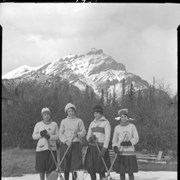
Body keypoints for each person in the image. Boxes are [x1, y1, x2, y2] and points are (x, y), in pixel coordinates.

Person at [59, 103, 86, 180]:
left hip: (76, 145)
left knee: (75, 166)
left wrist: (78, 134)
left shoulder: (79, 121)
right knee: (66, 165)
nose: (71, 112)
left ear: (75, 111)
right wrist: (65, 141)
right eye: (69, 111)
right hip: (66, 145)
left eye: (72, 111)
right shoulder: (63, 121)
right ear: (67, 112)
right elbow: (60, 133)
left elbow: (83, 132)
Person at [84, 105, 111, 180]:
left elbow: (107, 137)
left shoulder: (106, 122)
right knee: (91, 169)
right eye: (95, 113)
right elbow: (88, 135)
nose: (96, 115)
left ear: (101, 113)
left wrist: (104, 149)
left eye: (97, 113)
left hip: (101, 148)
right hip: (92, 148)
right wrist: (90, 138)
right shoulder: (92, 123)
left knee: (101, 169)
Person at [32, 107, 59, 180]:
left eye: (48, 114)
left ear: (50, 115)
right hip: (41, 149)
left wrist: (49, 136)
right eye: (45, 115)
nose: (46, 116)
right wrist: (41, 134)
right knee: (41, 168)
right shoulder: (38, 124)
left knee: (50, 168)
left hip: (51, 149)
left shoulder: (54, 124)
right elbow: (34, 136)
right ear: (42, 116)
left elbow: (57, 136)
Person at [112, 108, 139, 180]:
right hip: (121, 153)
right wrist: (115, 147)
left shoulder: (132, 126)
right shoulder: (117, 128)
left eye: (124, 116)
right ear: (120, 118)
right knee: (122, 172)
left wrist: (129, 143)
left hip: (130, 153)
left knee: (130, 172)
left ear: (127, 117)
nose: (123, 118)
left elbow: (136, 138)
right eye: (121, 117)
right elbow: (114, 140)